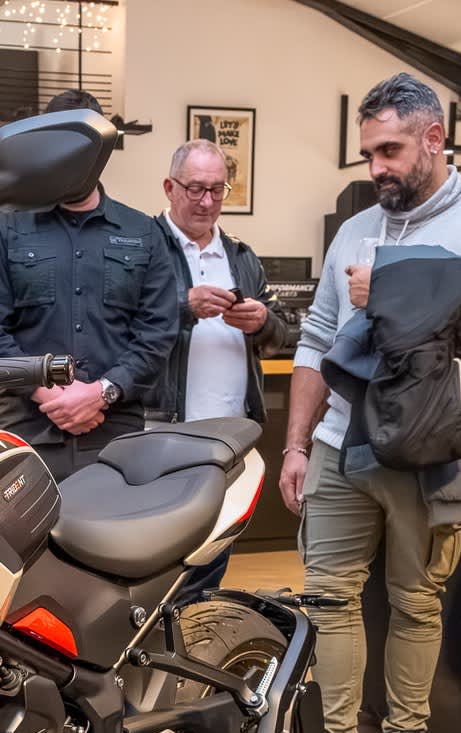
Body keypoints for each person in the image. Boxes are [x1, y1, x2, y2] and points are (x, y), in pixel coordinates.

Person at [282, 73, 461, 733]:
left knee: (416, 601)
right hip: (340, 441)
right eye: (368, 154)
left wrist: (392, 286)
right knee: (329, 597)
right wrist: (296, 443)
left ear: (434, 138)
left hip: (432, 446)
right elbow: (317, 338)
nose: (376, 168)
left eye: (389, 150)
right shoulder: (355, 229)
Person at [0, 91, 182, 479]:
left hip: (114, 436)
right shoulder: (7, 226)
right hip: (27, 432)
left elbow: (158, 332)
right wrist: (49, 393)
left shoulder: (142, 232)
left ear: (101, 152)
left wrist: (102, 392)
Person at [155, 138, 296, 597]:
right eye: (195, 188)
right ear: (170, 188)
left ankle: (198, 629)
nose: (207, 201)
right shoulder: (144, 248)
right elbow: (118, 323)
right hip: (164, 431)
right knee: (162, 557)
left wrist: (262, 321)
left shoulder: (241, 256)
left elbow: (283, 334)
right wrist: (183, 306)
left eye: (217, 190)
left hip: (232, 435)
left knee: (213, 554)